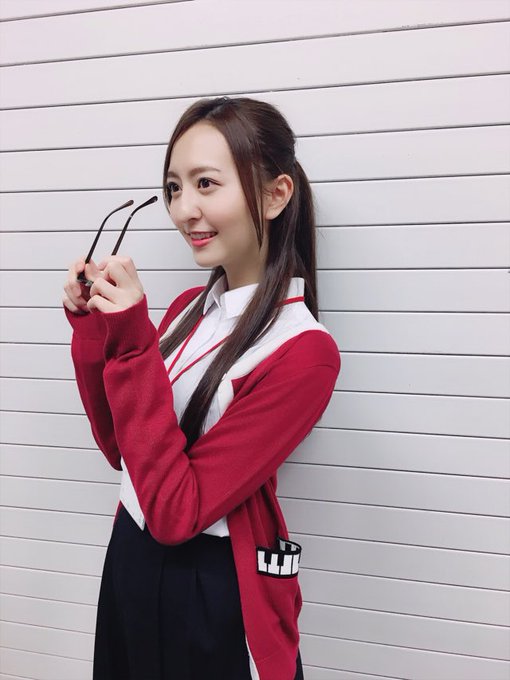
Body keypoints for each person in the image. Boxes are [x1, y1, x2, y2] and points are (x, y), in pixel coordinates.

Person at [62, 96, 341, 680]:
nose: (183, 209)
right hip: (130, 556)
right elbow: (122, 449)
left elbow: (177, 512)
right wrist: (93, 330)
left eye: (206, 183)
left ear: (275, 195)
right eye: (173, 188)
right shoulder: (189, 308)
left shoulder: (305, 352)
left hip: (210, 587)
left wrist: (132, 342)